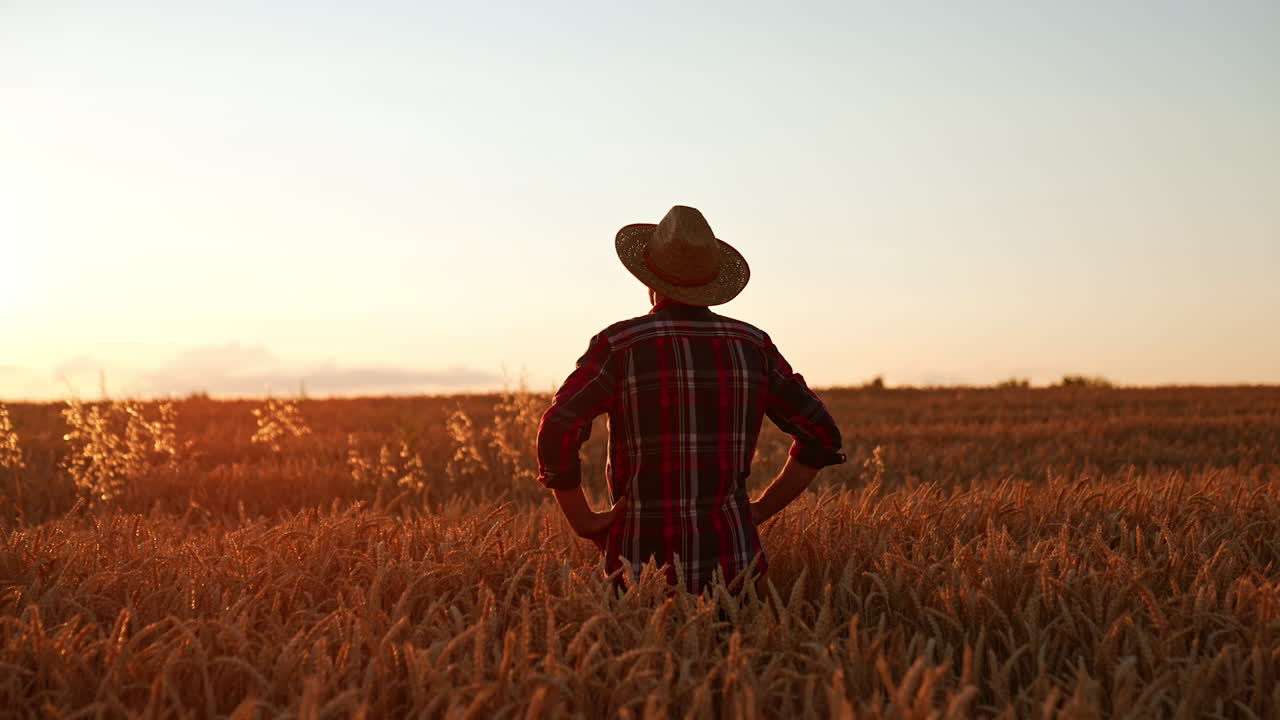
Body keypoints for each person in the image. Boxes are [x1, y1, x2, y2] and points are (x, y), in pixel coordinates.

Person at [535, 205, 845, 593]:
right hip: (735, 570)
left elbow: (558, 427)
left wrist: (582, 519)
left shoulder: (620, 345)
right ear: (711, 281)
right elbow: (822, 436)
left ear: (650, 279)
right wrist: (762, 509)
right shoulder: (752, 345)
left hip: (638, 573)